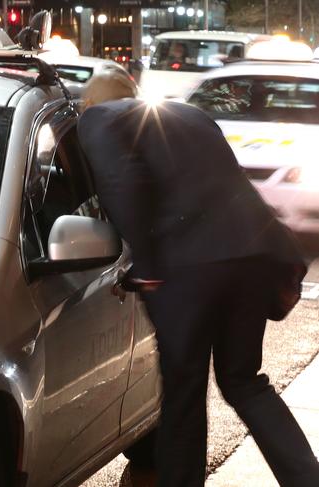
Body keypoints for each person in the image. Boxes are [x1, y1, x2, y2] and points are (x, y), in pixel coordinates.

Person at [77, 70, 319, 486]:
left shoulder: (98, 120)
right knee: (244, 382)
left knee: (185, 391)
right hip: (254, 255)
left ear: (88, 105)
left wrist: (147, 268)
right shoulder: (191, 116)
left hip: (190, 271)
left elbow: (122, 185)